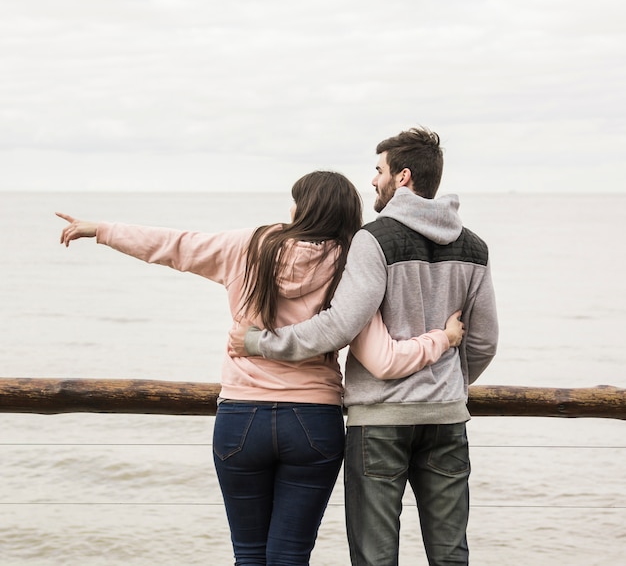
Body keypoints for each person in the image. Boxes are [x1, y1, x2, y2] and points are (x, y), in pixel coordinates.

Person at [57, 169, 465, 566]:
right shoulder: (349, 264)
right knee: (289, 557)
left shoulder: (250, 246)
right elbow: (379, 354)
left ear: (301, 208)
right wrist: (441, 340)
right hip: (313, 422)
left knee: (248, 556)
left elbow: (176, 245)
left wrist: (102, 230)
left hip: (240, 418)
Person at [230, 129, 499, 566]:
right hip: (447, 417)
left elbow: (339, 326)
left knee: (375, 556)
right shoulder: (475, 248)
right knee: (451, 553)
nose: (373, 181)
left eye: (379, 170)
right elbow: (484, 341)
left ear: (403, 177)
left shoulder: (373, 240)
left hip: (380, 422)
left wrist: (260, 342)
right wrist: (448, 386)